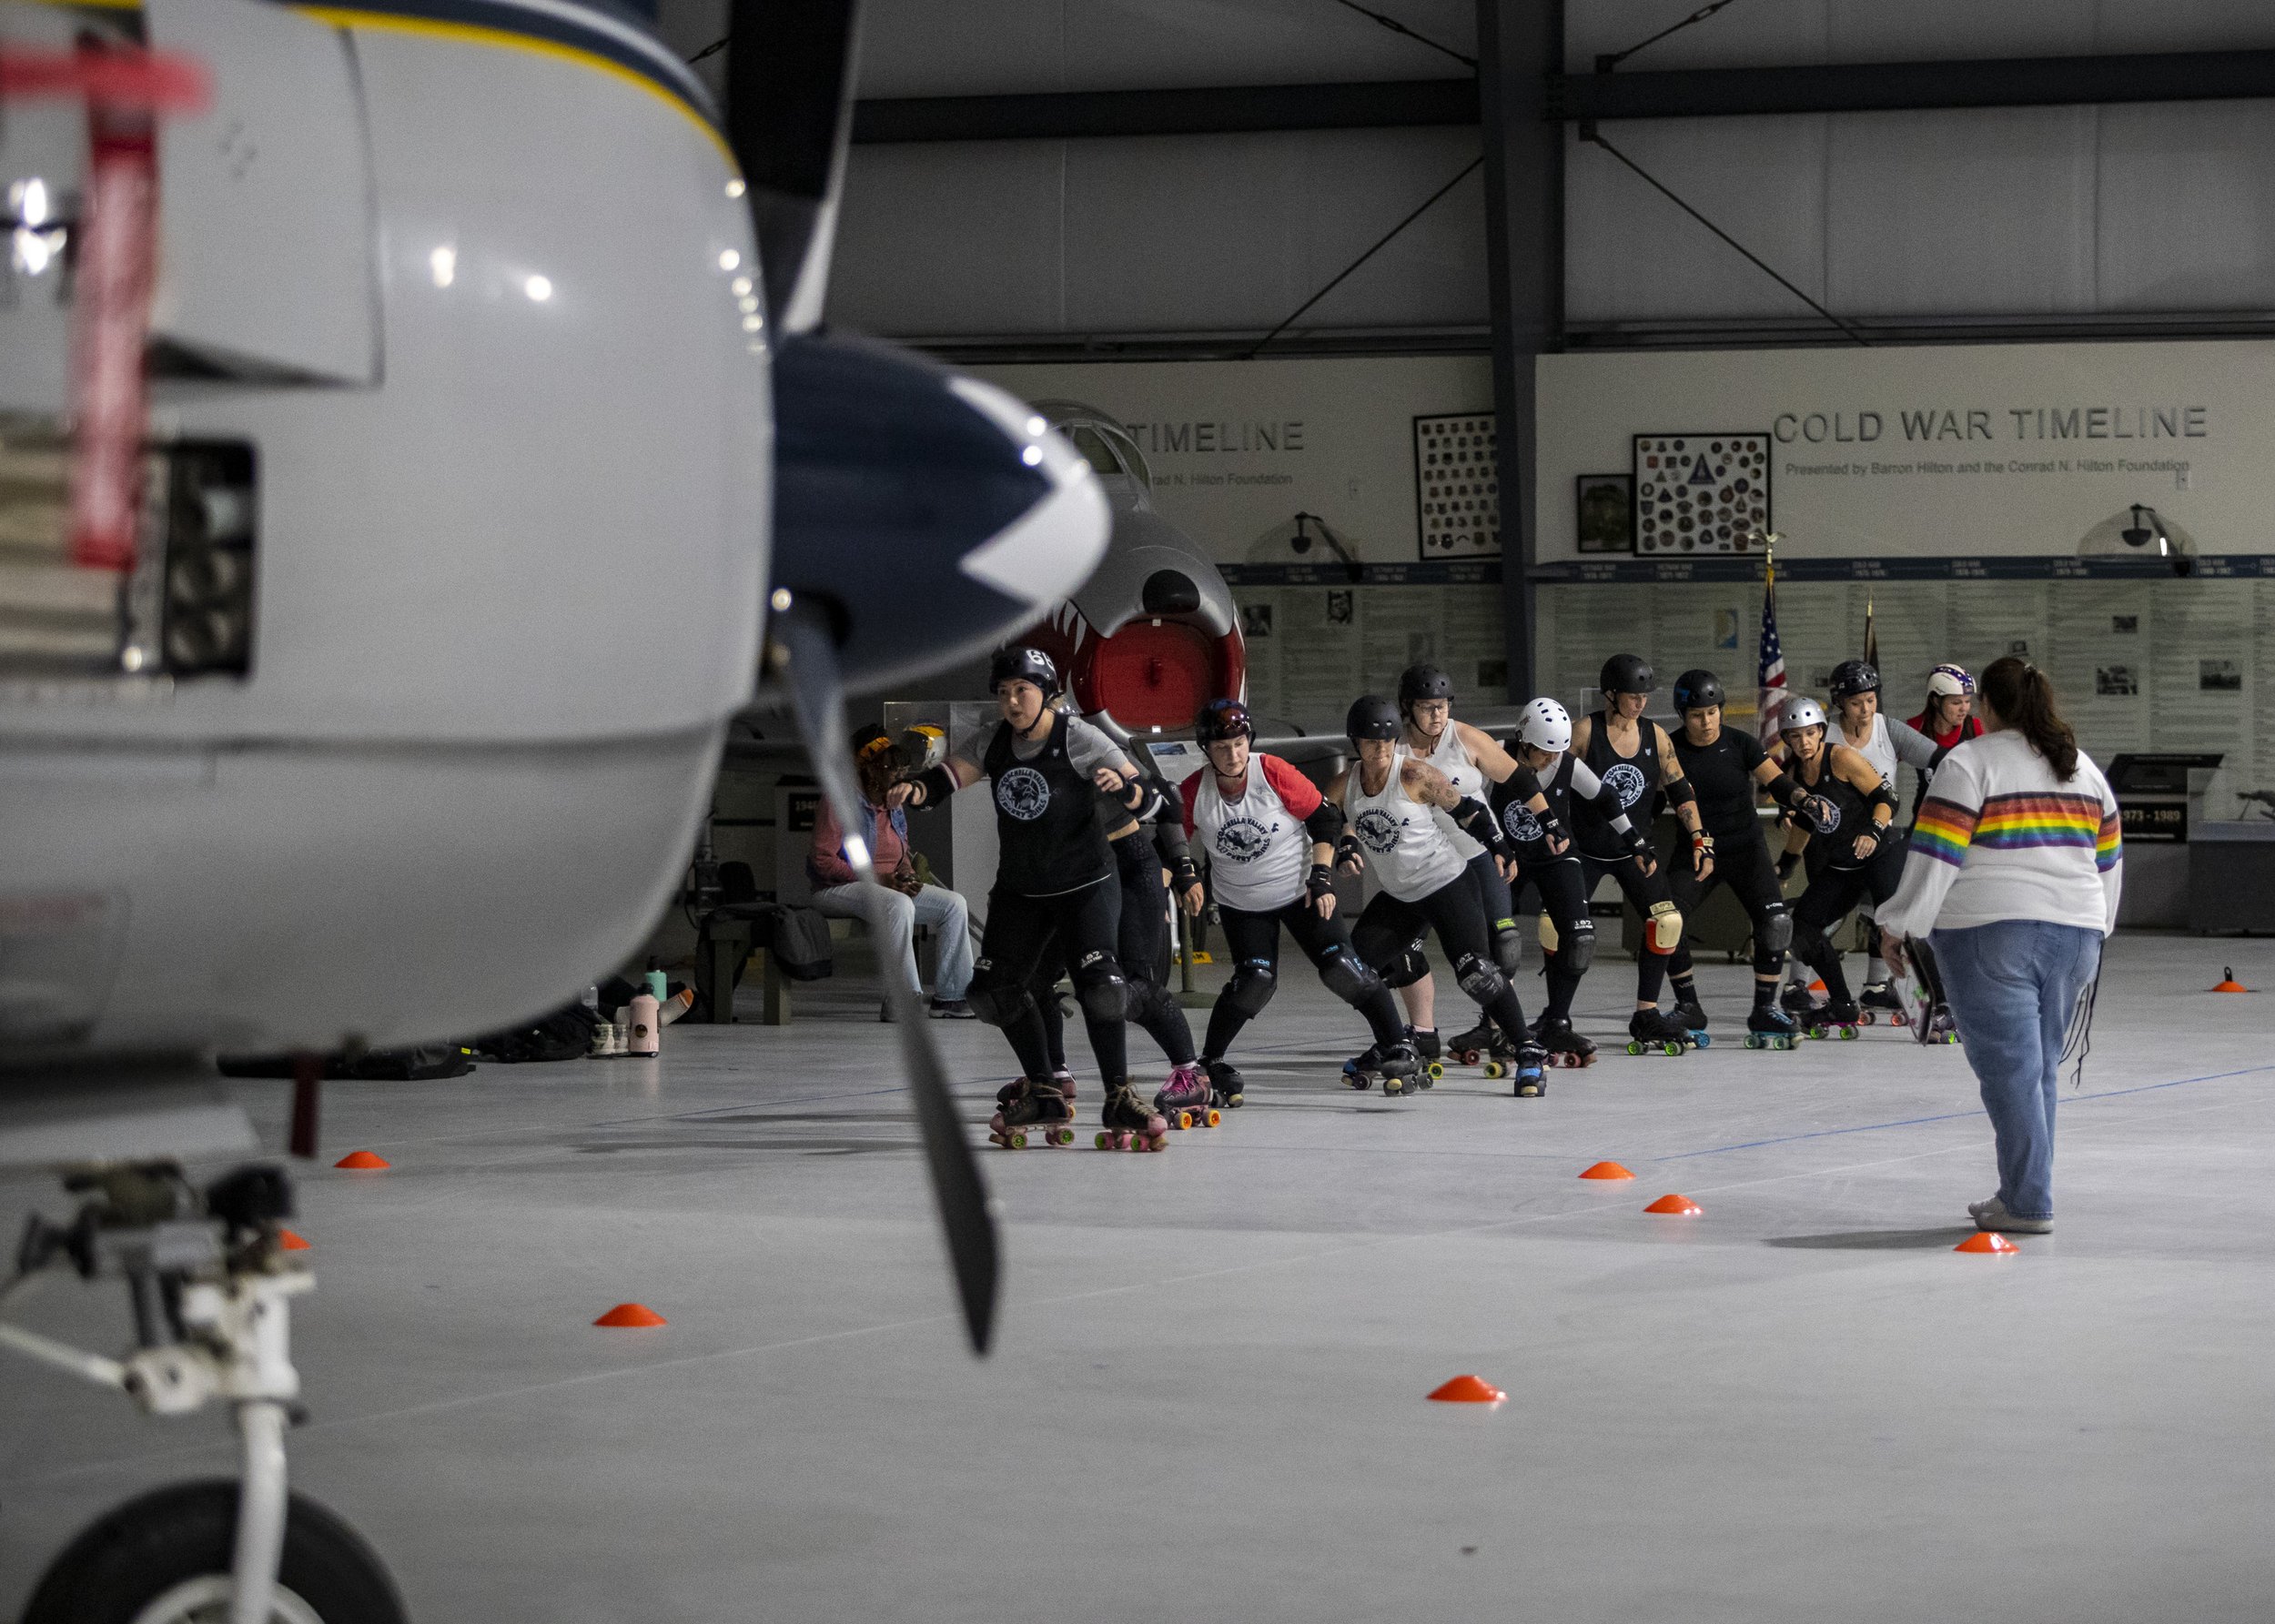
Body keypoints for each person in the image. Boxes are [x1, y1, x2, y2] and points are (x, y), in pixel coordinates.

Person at [1878, 657, 2120, 1236]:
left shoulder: (1968, 763)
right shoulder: (2081, 768)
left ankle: (2031, 1202)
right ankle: (2022, 1192)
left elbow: (1936, 853)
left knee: (2011, 1073)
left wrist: (1897, 923)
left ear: (1986, 705)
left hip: (1990, 934)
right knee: (2038, 1072)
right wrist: (2097, 927)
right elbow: (2108, 860)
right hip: (2076, 935)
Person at [903, 647, 1168, 1150]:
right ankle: (1044, 1088)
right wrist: (917, 791)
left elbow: (1155, 797)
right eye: (1003, 693)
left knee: (1103, 987)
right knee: (989, 991)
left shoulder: (1079, 738)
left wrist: (1126, 788)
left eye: (1021, 690)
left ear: (1049, 695)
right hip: (1022, 889)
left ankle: (1119, 1096)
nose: (1011, 702)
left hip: (1085, 885)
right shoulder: (994, 741)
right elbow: (949, 777)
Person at [1179, 697, 1413, 1103]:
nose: (1234, 755)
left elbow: (1324, 819)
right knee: (1254, 982)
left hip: (1300, 891)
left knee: (1345, 968)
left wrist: (1321, 878)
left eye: (1239, 744)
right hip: (1242, 903)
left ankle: (1398, 1045)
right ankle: (1210, 1062)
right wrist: (1181, 877)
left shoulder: (1270, 771)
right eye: (1222, 748)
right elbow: (1172, 841)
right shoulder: (1194, 791)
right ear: (1207, 751)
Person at [1328, 695, 1548, 1096]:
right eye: (1371, 742)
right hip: (1400, 895)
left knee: (1475, 972)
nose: (1381, 750)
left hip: (1446, 882)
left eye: (1389, 741)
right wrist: (1343, 844)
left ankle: (1528, 1049)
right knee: (1354, 969)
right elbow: (1329, 817)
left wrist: (1499, 845)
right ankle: (1395, 1042)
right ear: (1354, 742)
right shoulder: (1347, 783)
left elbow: (1466, 810)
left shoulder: (1413, 773)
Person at [1392, 662, 1567, 1070]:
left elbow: (1518, 778)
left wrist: (1550, 822)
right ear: (1407, 708)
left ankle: (1497, 1029)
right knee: (1402, 951)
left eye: (1443, 706)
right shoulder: (1394, 750)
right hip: (1424, 865)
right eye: (1428, 707)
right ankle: (1424, 1033)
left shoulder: (1464, 737)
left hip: (1477, 854)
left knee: (1501, 948)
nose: (1438, 715)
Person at [1016, 764, 1208, 1123]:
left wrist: (1181, 867)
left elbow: (1166, 798)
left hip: (1128, 867)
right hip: (1072, 874)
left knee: (1127, 987)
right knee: (1034, 978)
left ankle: (1191, 1074)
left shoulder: (1083, 748)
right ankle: (1052, 1076)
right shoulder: (1020, 763)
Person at [1489, 697, 1658, 1066]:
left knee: (1581, 939)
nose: (1552, 760)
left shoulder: (1565, 762)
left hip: (1556, 856)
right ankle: (1493, 1023)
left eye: (1558, 752)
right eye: (1544, 753)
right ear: (1524, 742)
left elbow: (1607, 798)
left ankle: (1556, 1020)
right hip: (1509, 858)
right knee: (1501, 942)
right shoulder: (1497, 755)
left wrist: (1636, 842)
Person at [1662, 671, 1815, 1046]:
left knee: (1776, 922)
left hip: (1745, 849)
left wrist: (1803, 799)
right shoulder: (1670, 748)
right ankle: (1689, 1006)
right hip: (1697, 852)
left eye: (1713, 712)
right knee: (1665, 923)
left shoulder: (1740, 743)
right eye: (1698, 715)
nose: (1707, 722)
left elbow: (1777, 782)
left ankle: (1765, 1009)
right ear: (1683, 714)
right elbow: (1651, 799)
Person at [1569, 654, 1708, 1050]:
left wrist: (1700, 838)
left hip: (1636, 850)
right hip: (1586, 850)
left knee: (1666, 923)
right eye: (1633, 696)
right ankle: (1555, 1017)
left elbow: (1680, 789)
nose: (1641, 703)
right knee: (1563, 930)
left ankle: (1647, 1014)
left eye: (1645, 696)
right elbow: (1552, 782)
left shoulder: (1656, 736)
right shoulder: (1585, 732)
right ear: (1610, 695)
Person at [807, 724, 975, 1019]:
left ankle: (951, 997)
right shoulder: (839, 800)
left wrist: (907, 874)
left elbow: (901, 850)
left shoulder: (892, 800)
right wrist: (879, 878)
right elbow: (822, 860)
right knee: (898, 905)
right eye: (891, 770)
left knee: (953, 904)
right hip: (837, 887)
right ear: (869, 769)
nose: (899, 778)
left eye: (900, 770)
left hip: (888, 885)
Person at [1821, 658, 1943, 1015]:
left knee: (1885, 913)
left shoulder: (1888, 730)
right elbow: (1795, 778)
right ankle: (1798, 984)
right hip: (1833, 842)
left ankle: (1876, 986)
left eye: (1872, 700)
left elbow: (1937, 756)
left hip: (1878, 839)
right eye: (1857, 702)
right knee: (1824, 916)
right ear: (1840, 702)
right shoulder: (1824, 734)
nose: (1866, 709)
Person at [1774, 696, 1900, 1031]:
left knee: (1895, 923)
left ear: (1820, 732)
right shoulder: (1796, 775)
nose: (1803, 743)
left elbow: (1887, 799)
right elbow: (1804, 823)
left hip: (1878, 856)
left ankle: (1942, 1000)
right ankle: (1842, 1003)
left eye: (1810, 734)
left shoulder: (1842, 757)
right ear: (1787, 739)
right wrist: (1785, 865)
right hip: (1843, 867)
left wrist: (1873, 831)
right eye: (1795, 736)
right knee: (1802, 927)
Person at [1906, 663, 1983, 821]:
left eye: (1967, 701)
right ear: (1935, 700)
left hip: (1967, 818)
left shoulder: (1975, 727)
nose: (1964, 709)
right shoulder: (1914, 728)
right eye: (1956, 703)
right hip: (1926, 820)